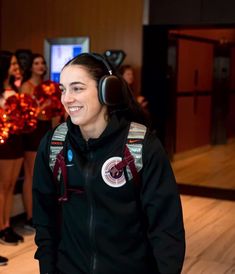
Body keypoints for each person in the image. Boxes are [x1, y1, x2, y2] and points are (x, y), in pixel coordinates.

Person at [33, 53, 185, 274]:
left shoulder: (141, 146)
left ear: (108, 90)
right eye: (63, 89)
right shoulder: (53, 144)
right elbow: (44, 219)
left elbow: (166, 228)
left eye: (77, 88)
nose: (66, 99)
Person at [20, 53, 52, 231]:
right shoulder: (26, 86)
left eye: (42, 63)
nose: (40, 66)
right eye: (36, 63)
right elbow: (27, 114)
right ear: (31, 67)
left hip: (46, 129)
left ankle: (41, 214)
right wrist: (42, 107)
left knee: (44, 175)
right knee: (31, 175)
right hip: (32, 132)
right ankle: (30, 217)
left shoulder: (48, 86)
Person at [0, 51, 24, 246]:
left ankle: (7, 225)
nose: (16, 67)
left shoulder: (14, 88)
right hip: (4, 142)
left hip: (17, 140)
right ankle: (1, 228)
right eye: (12, 64)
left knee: (10, 186)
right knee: (3, 186)